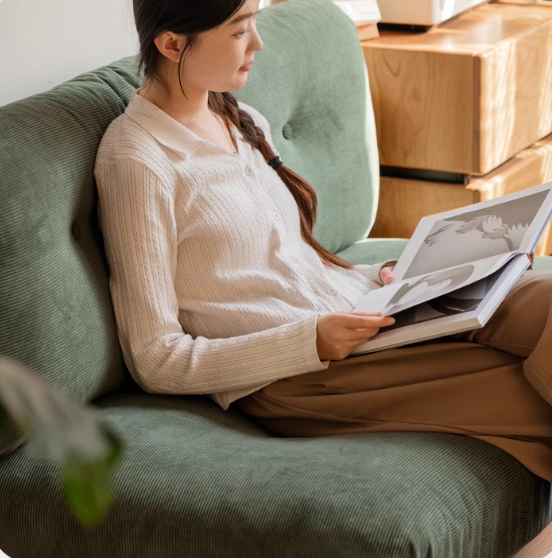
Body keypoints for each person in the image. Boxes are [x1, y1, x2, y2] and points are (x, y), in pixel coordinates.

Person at [94, 0, 552, 485]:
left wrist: (386, 275)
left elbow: (290, 264)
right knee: (525, 401)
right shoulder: (138, 163)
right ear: (172, 44)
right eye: (237, 31)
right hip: (299, 378)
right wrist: (308, 340)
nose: (258, 43)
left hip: (364, 317)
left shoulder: (238, 118)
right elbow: (154, 358)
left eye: (255, 23)